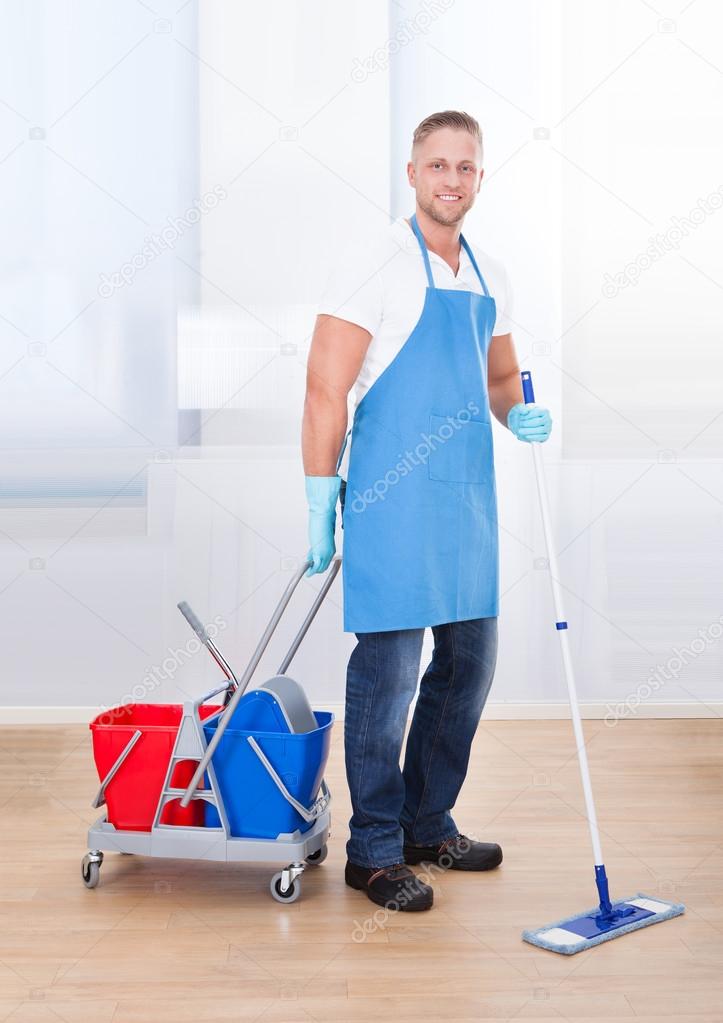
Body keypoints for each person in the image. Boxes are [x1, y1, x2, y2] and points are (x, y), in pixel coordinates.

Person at [301, 110, 552, 912]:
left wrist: (523, 415)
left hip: (464, 502)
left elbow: (500, 381)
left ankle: (425, 822)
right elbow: (324, 386)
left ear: (480, 177)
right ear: (411, 173)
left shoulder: (489, 273)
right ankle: (372, 851)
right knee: (388, 677)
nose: (451, 179)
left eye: (465, 167)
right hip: (389, 500)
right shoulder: (374, 258)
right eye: (436, 165)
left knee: (467, 669)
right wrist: (318, 493)